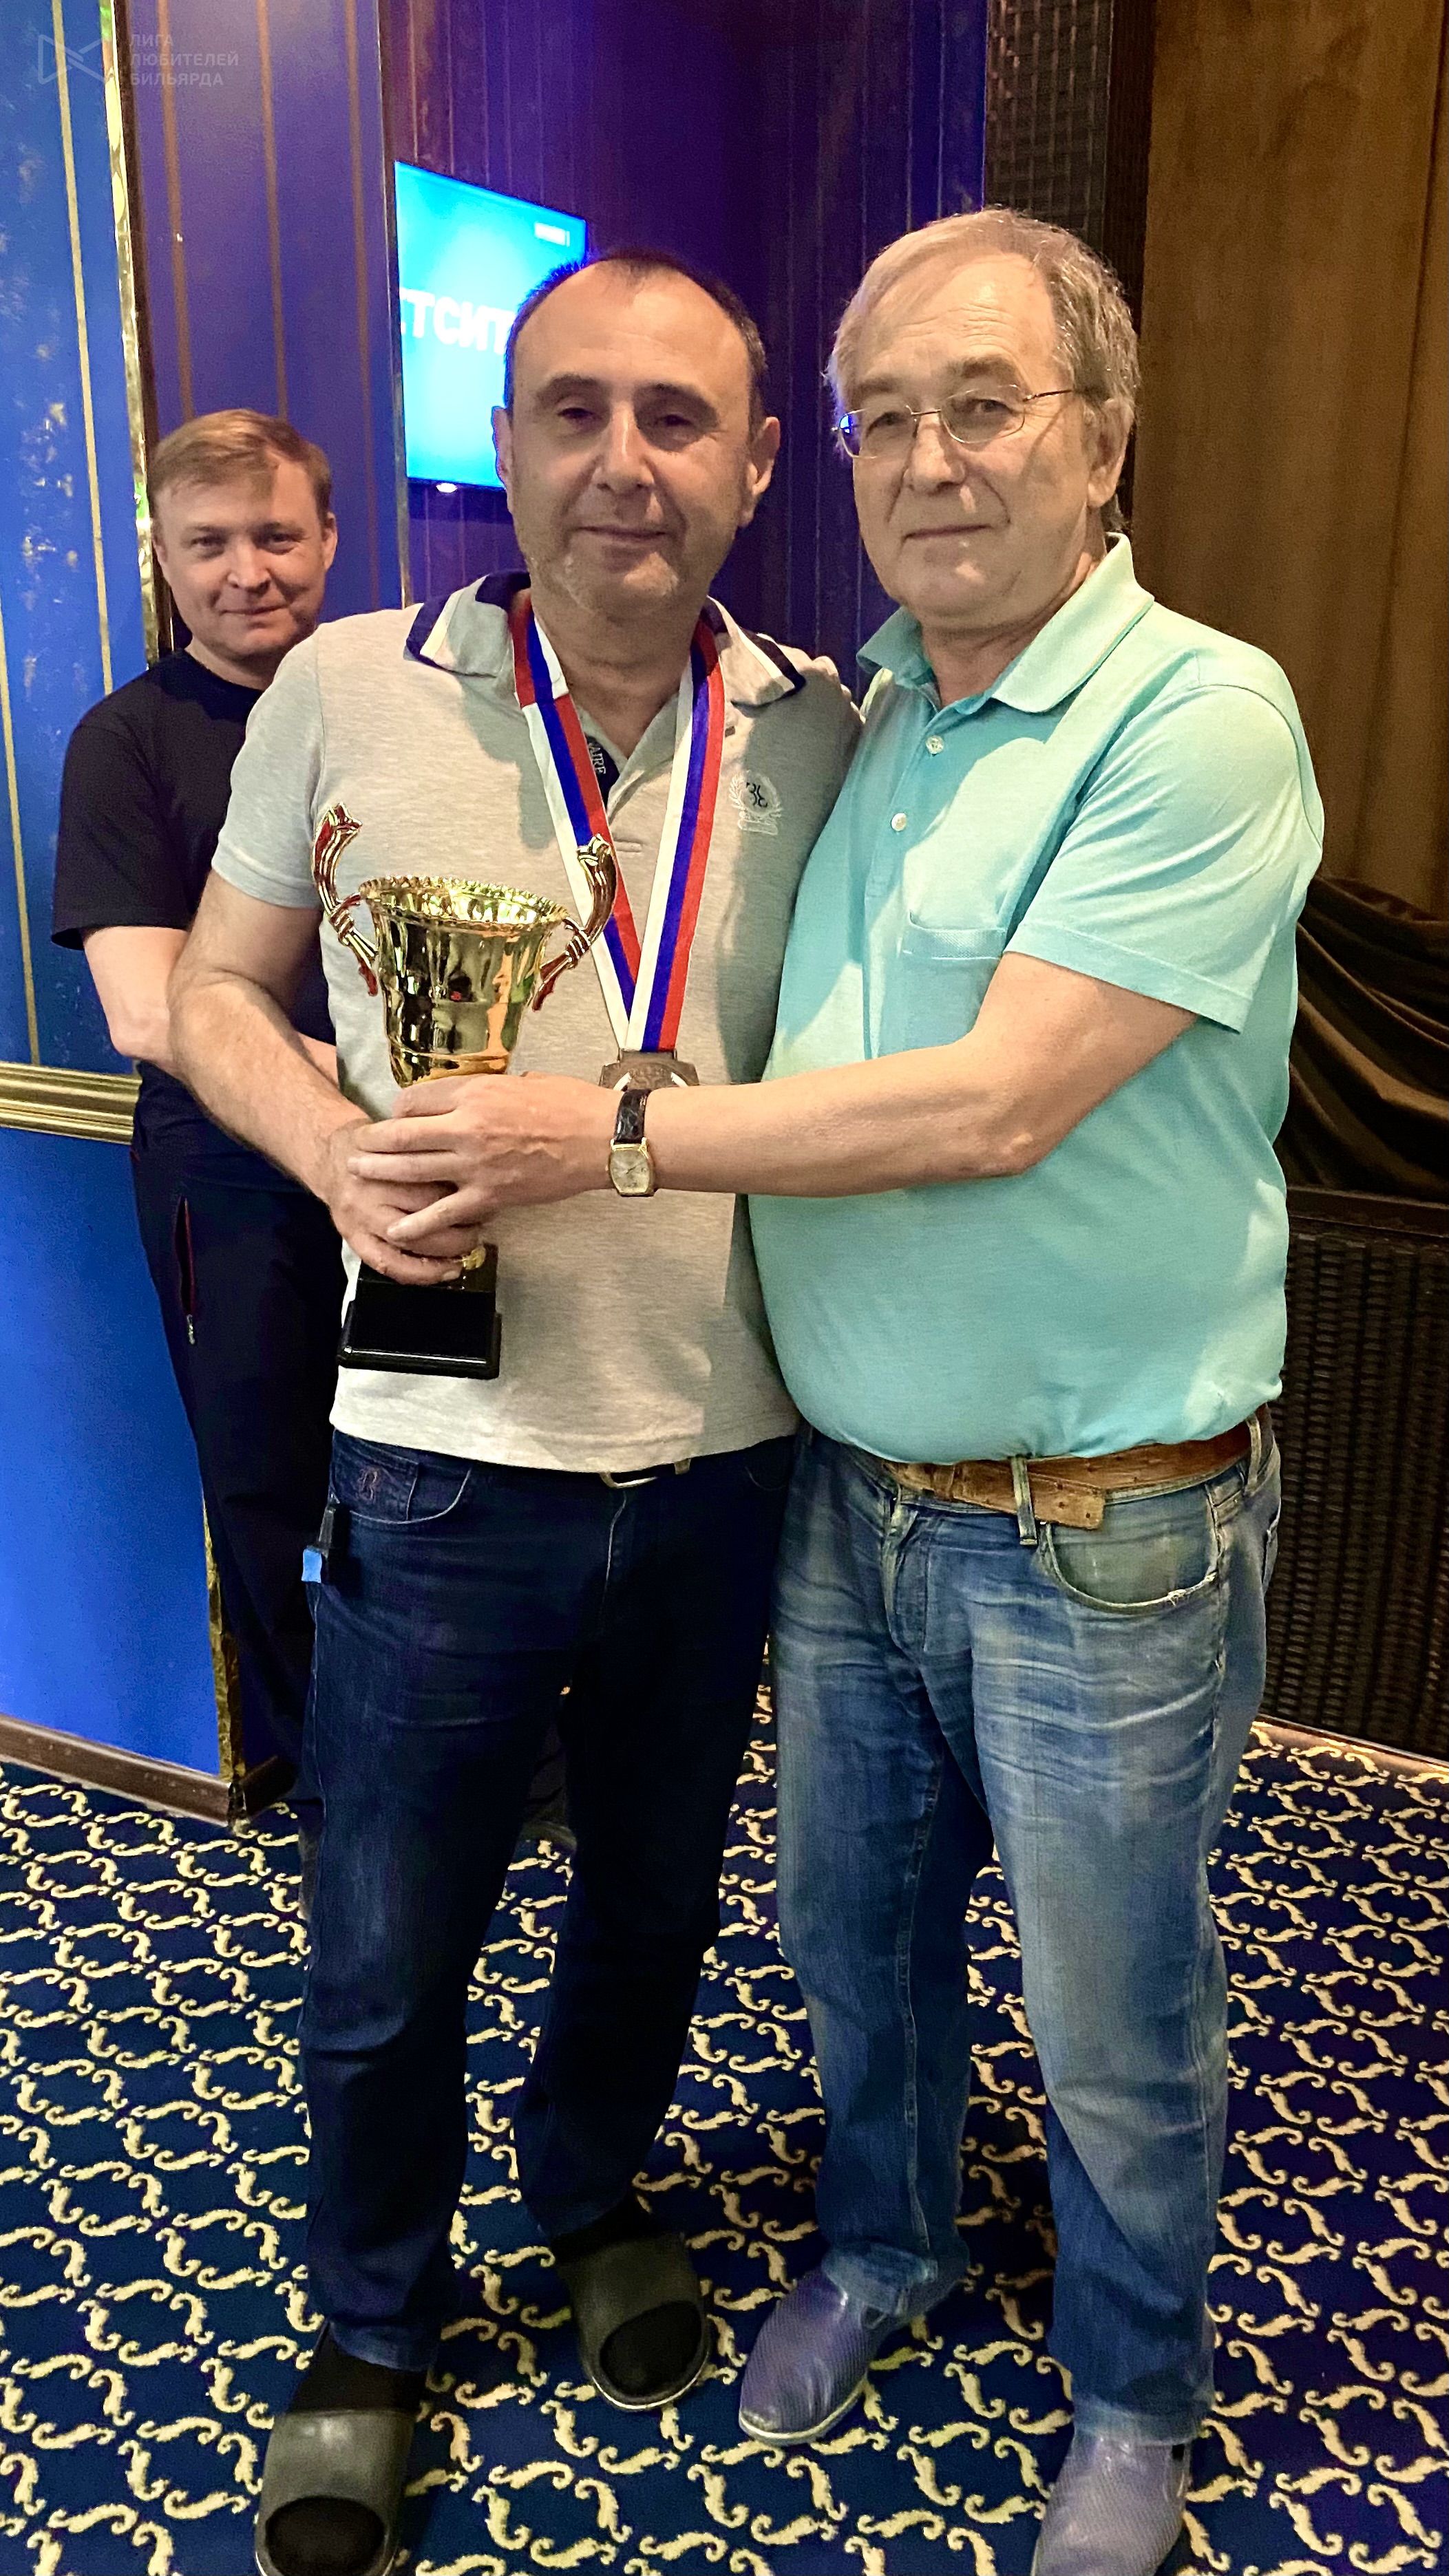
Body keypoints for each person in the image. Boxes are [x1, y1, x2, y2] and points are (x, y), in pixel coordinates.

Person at [376, 211, 1322, 2576]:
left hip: (1103, 1517)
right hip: (845, 1497)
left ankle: (1133, 2396)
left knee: (1111, 2014)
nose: (926, 460)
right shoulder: (866, 711)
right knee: (852, 1955)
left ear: (1102, 437)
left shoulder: (1197, 714)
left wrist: (600, 1136)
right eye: (884, 415)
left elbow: (994, 1104)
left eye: (981, 405)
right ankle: (884, 2248)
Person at [167, 250, 860, 2576]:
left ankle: (586, 2199)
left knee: (653, 1907)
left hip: (725, 1453)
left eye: (676, 417)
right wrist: (326, 1142)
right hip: (442, 1461)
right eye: (573, 409)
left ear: (754, 466)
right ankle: (370, 2324)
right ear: (503, 444)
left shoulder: (830, 730)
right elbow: (218, 990)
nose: (621, 462)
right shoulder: (346, 688)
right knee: (384, 1950)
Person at [52, 412, 343, 1832]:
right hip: (231, 1183)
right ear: (163, 557)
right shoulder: (126, 742)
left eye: (276, 535)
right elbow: (146, 1012)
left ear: (328, 539)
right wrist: (378, 1096)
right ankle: (336, 1781)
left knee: (439, 1470)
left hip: (413, 1169)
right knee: (271, 1482)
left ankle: (478, 1753)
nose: (247, 572)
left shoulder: (390, 706)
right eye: (209, 543)